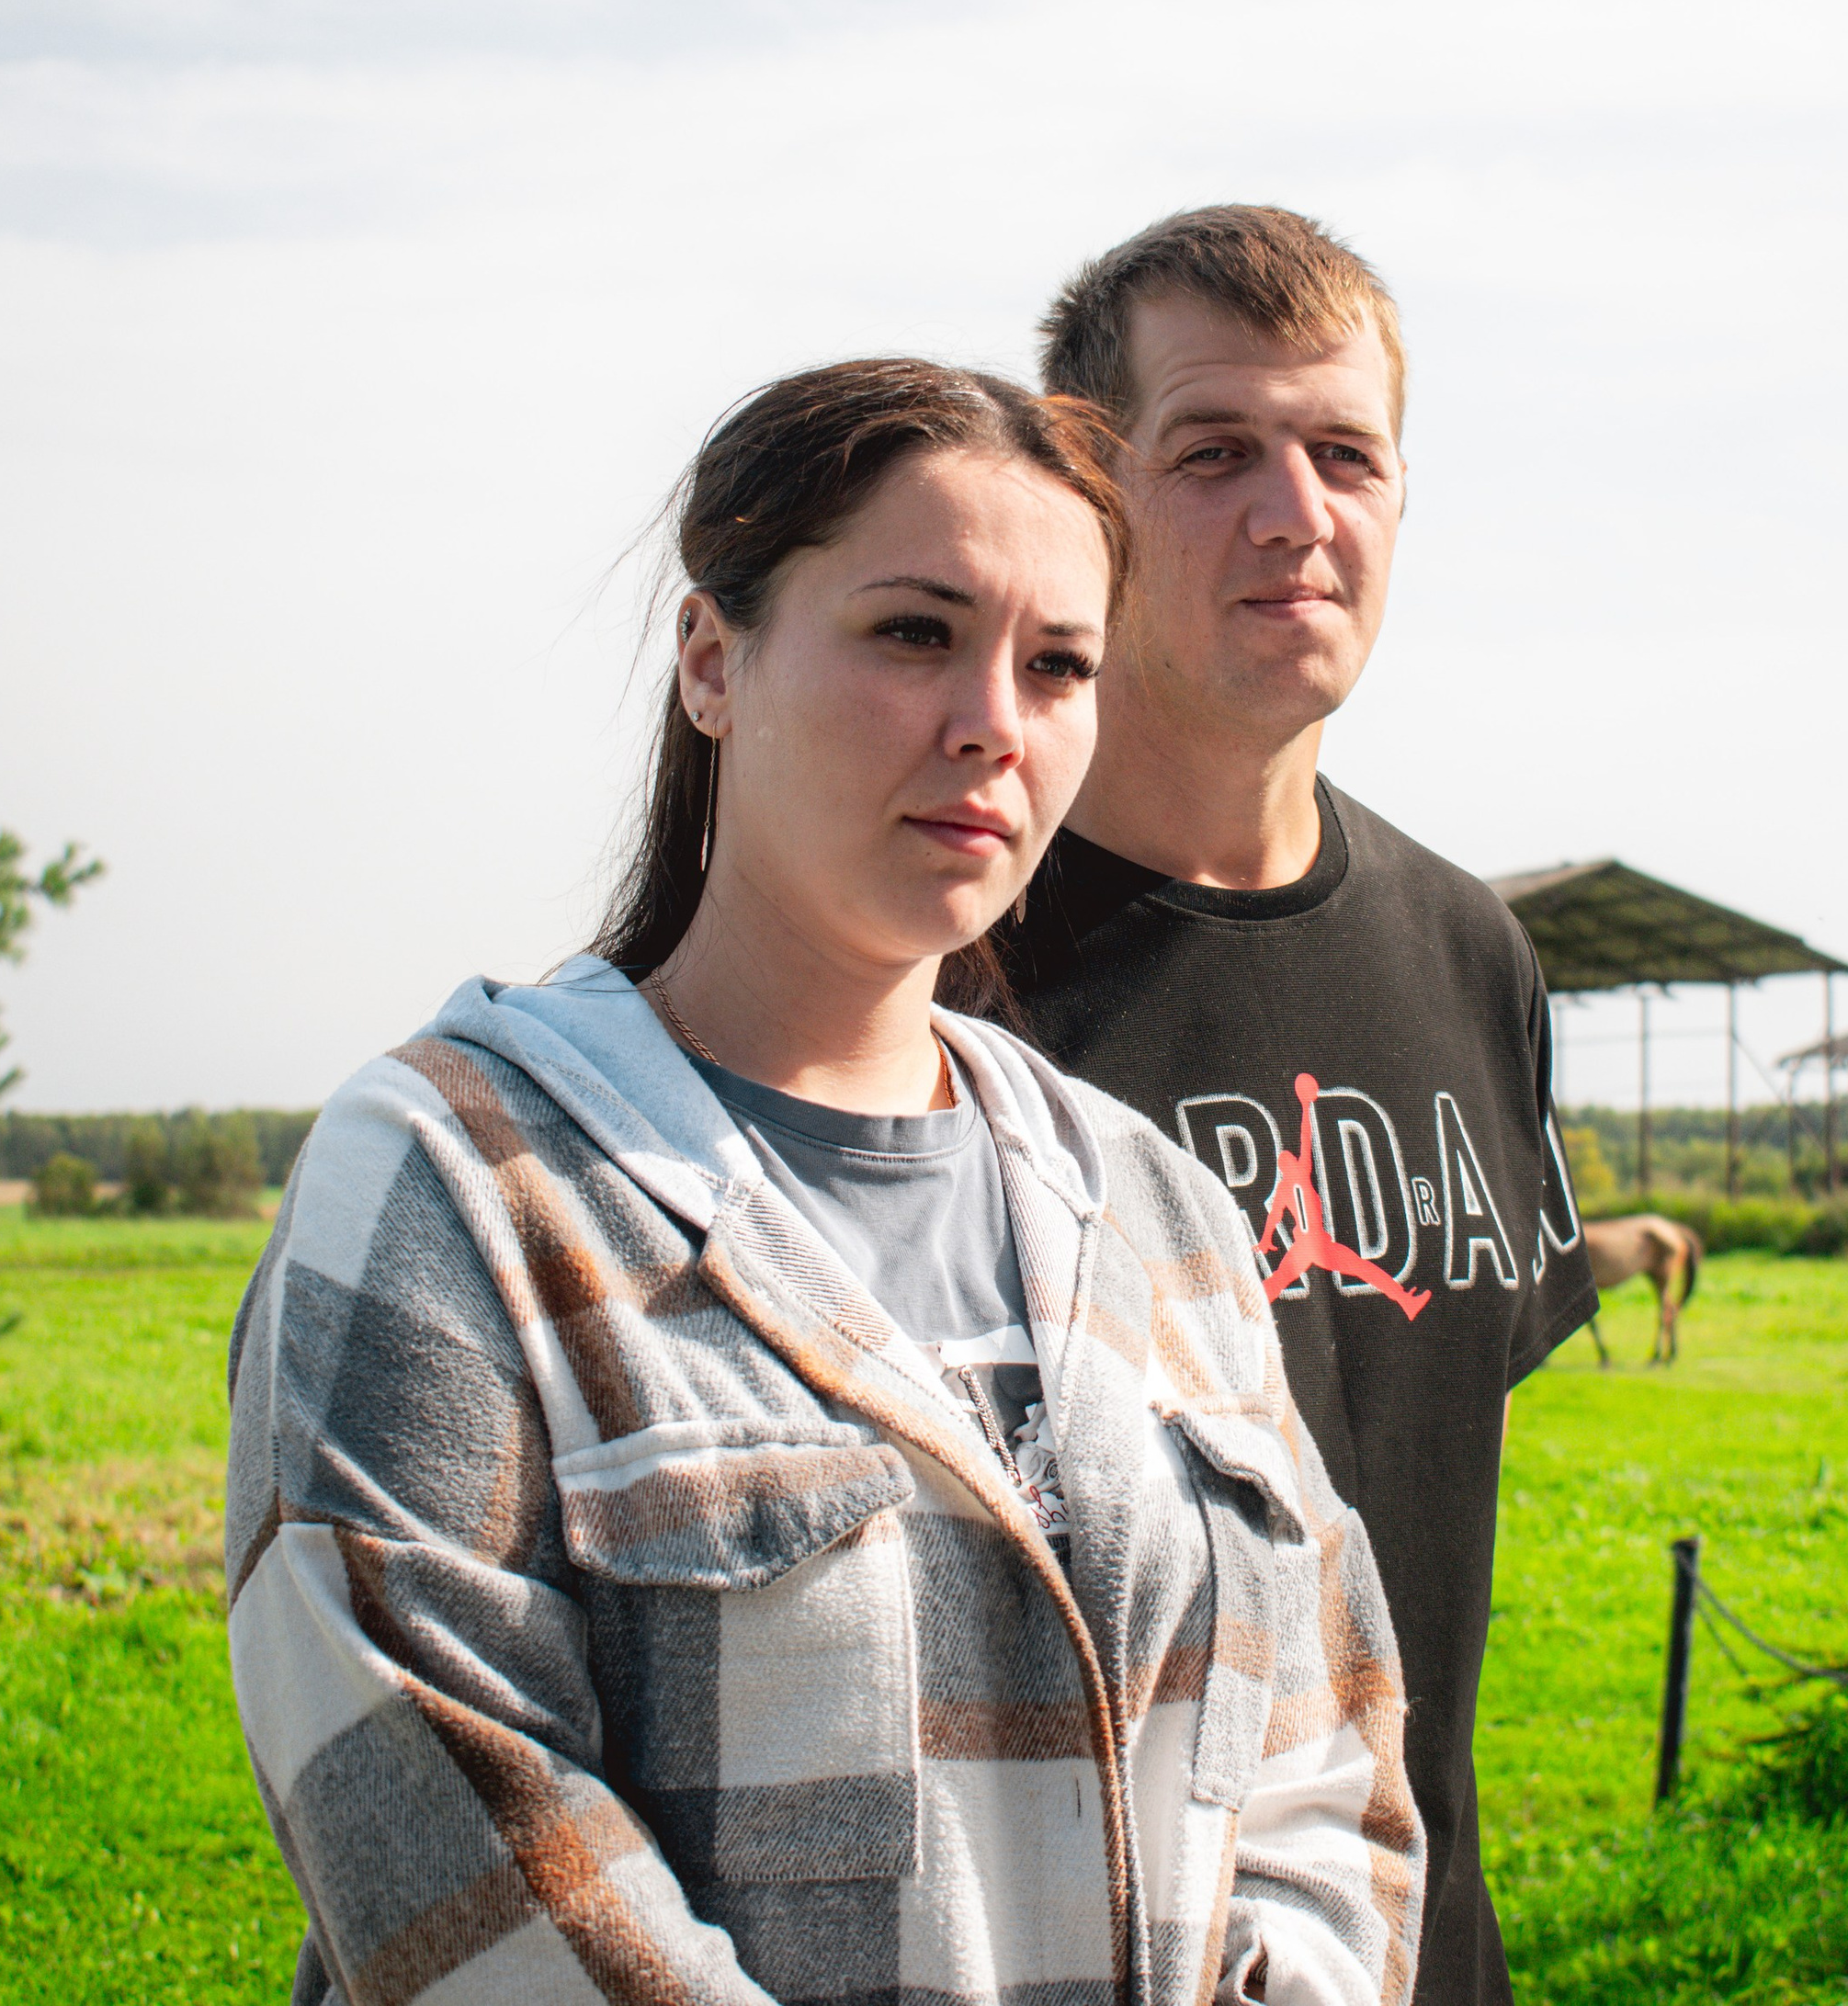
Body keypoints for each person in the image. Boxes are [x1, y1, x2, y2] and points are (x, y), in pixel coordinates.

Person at [225, 358, 1422, 2006]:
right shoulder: (456, 1186)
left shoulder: (1155, 1212)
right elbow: (452, 1854)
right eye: (914, 632)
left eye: (1059, 664)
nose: (991, 723)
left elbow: (1323, 1755)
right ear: (713, 660)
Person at [1002, 211, 1600, 2006]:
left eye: (1344, 451)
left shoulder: (1468, 948)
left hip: (1428, 1955)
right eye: (1213, 452)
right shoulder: (945, 974)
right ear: (1085, 496)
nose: (1294, 508)